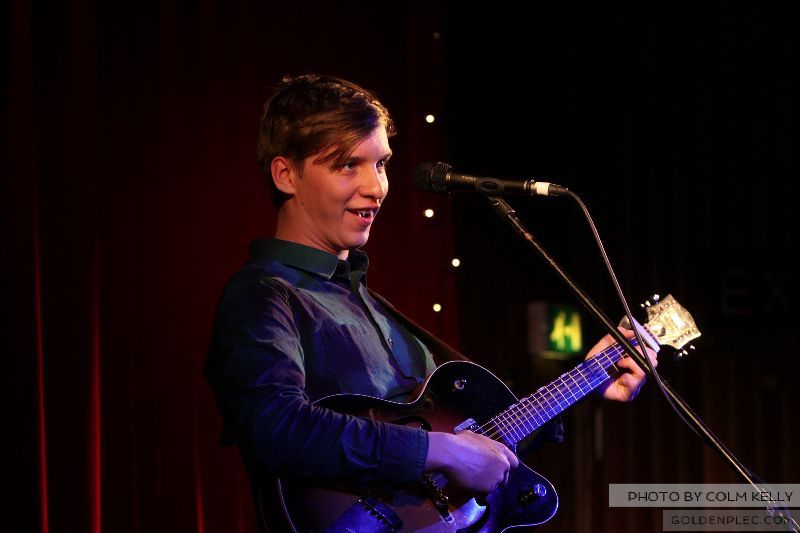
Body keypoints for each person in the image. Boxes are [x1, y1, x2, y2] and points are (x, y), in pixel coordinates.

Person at [204, 74, 656, 531]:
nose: (376, 187)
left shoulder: (372, 304)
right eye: (348, 165)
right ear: (286, 175)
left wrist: (590, 380)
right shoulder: (264, 294)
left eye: (381, 164)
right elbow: (273, 426)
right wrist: (438, 451)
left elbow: (475, 446)